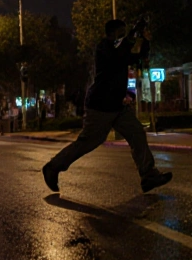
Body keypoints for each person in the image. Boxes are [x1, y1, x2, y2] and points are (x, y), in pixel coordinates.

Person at [42, 19, 173, 194]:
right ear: (111, 33)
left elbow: (138, 58)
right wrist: (133, 35)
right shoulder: (104, 48)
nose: (122, 36)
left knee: (137, 133)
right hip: (100, 105)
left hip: (117, 105)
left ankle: (148, 175)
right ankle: (53, 167)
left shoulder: (119, 50)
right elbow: (119, 56)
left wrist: (146, 41)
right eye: (121, 32)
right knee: (88, 142)